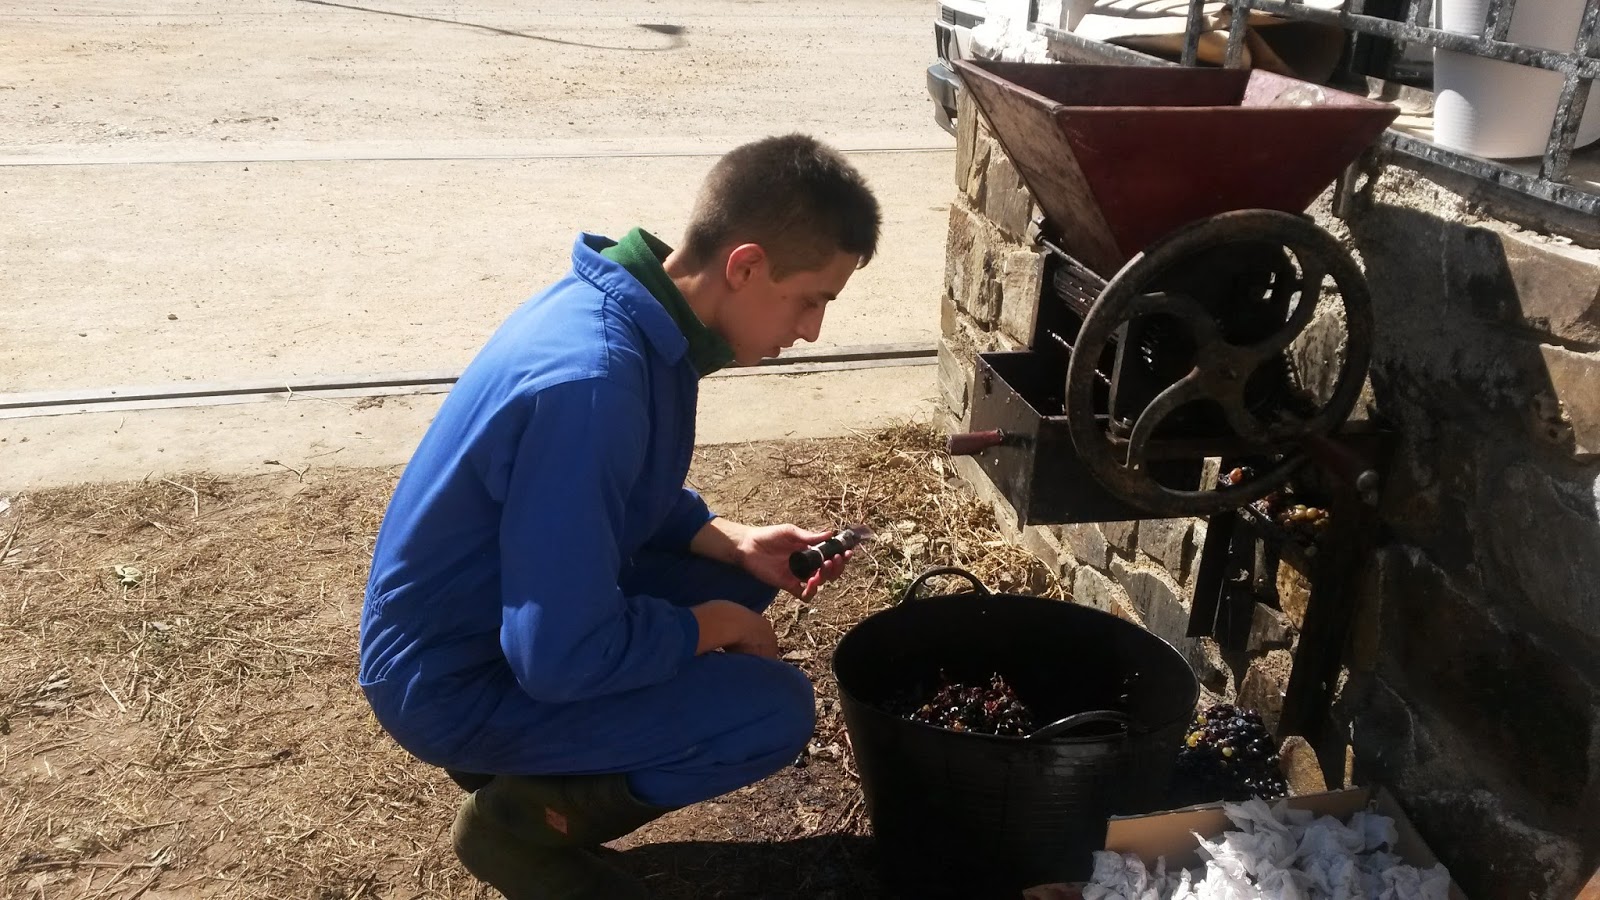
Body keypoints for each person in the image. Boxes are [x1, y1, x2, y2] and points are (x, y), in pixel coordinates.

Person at [357, 134, 882, 899]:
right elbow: (558, 655)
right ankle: (520, 829)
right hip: (454, 678)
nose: (811, 332)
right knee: (771, 711)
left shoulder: (625, 314)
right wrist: (712, 627)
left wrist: (735, 542)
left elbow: (620, 491)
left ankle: (535, 762)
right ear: (745, 266)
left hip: (481, 623)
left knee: (736, 579)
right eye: (812, 299)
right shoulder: (595, 385)